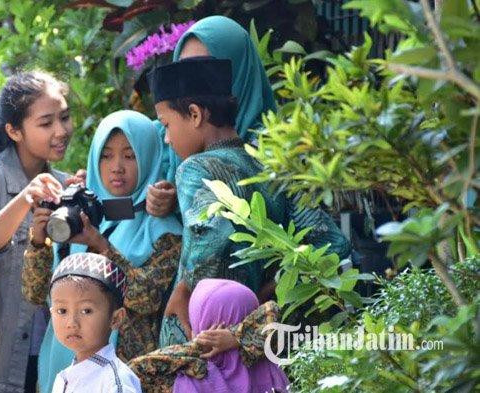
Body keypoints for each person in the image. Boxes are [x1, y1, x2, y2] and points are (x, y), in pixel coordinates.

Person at [150, 56, 350, 346]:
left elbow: (209, 234)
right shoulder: (271, 165)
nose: (167, 138)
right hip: (264, 333)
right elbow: (331, 242)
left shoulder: (194, 168)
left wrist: (183, 289)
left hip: (208, 330)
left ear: (195, 115)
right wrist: (269, 290)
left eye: (166, 125)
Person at [22, 110, 183, 392]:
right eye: (106, 156)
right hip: (61, 366)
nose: (116, 167)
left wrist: (101, 247)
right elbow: (36, 293)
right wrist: (38, 243)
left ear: (149, 156)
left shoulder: (163, 229)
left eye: (129, 156)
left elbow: (147, 299)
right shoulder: (76, 215)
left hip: (125, 372)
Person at [0, 71, 81, 393]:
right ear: (14, 130)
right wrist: (25, 199)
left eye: (65, 118)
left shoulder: (65, 185)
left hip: (54, 355)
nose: (61, 131)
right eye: (46, 123)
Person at [145, 15, 278, 219]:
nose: (194, 83)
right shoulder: (165, 134)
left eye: (206, 69)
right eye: (186, 72)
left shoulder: (277, 152)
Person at [129, 279, 288, 393]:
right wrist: (240, 337)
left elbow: (135, 369)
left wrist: (195, 347)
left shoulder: (193, 378)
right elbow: (271, 311)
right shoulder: (271, 370)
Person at [49, 252, 142, 393]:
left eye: (86, 311)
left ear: (115, 318)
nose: (71, 323)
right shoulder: (64, 378)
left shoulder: (116, 383)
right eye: (62, 311)